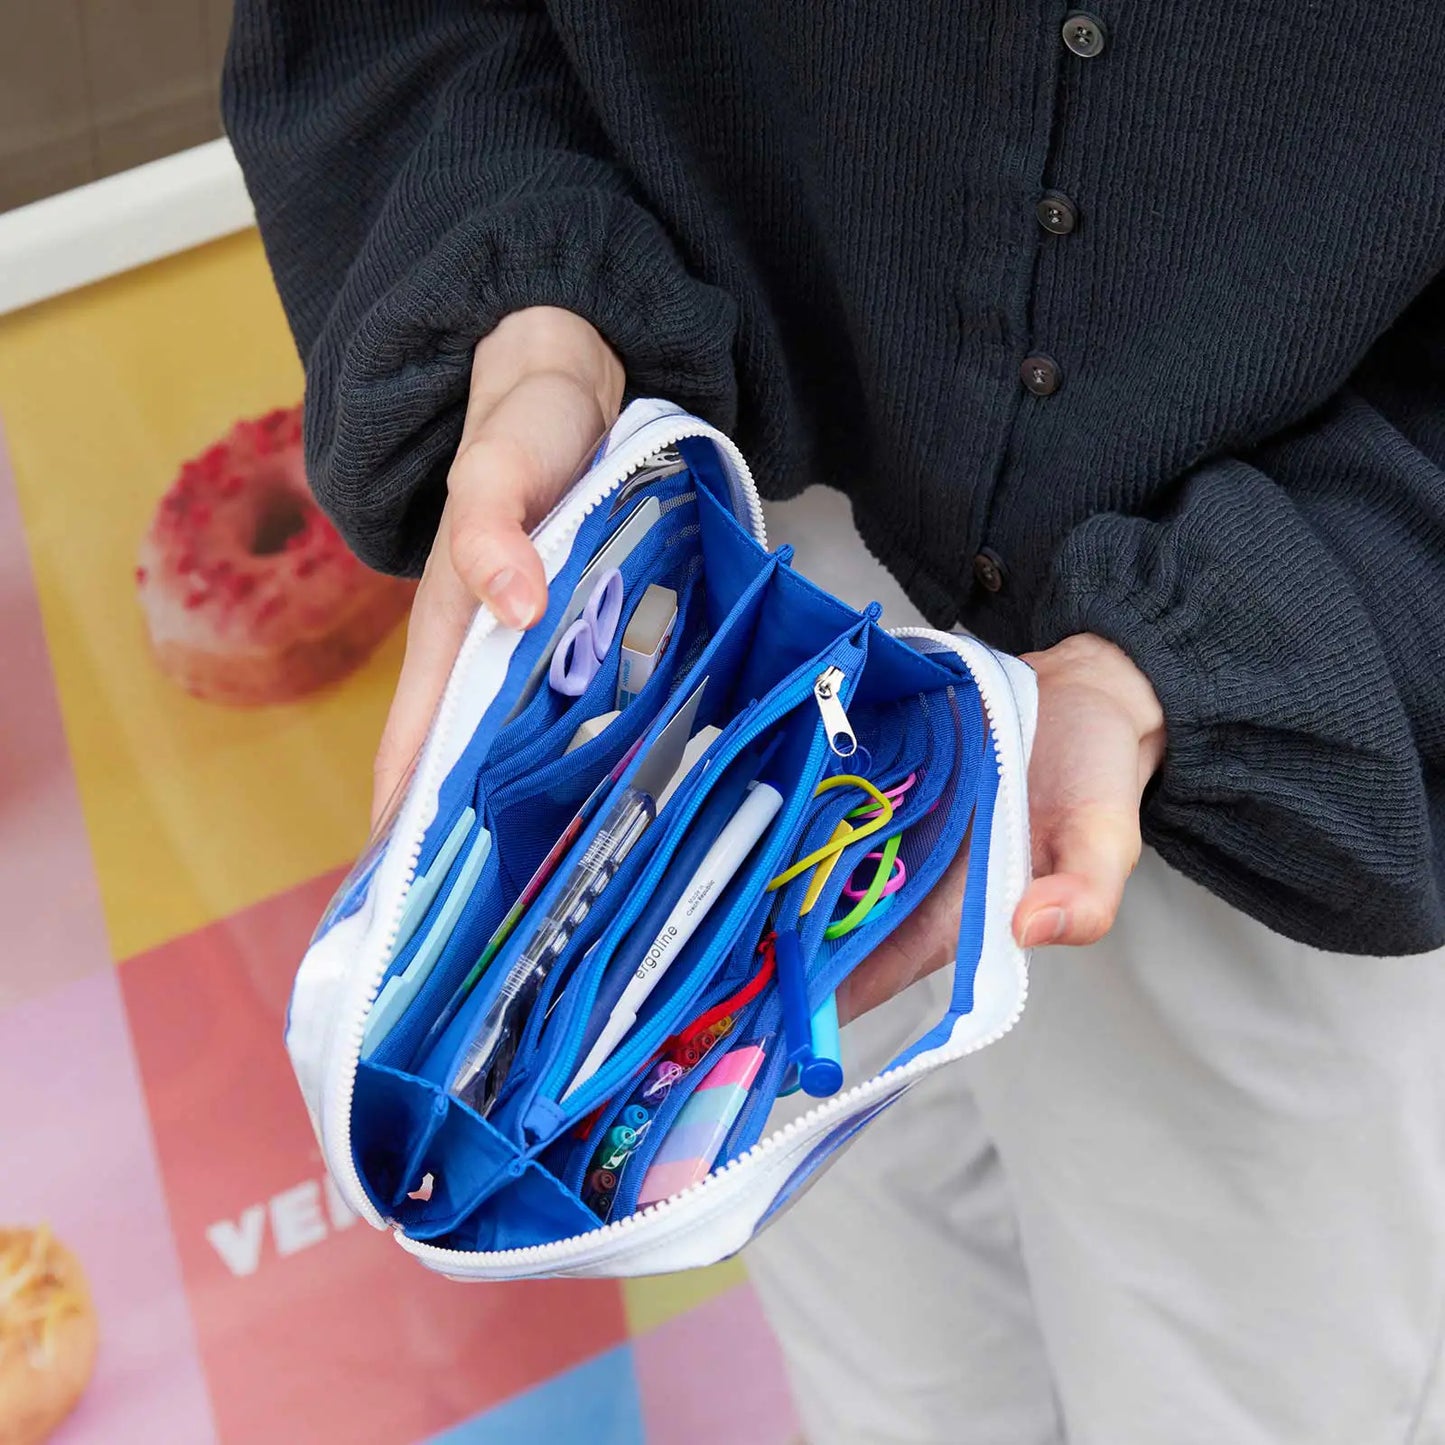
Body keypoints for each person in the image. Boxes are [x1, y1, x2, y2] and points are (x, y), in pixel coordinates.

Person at [223, 5, 1445, 1441]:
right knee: (884, 1334)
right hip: (719, 562)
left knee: (1257, 1376)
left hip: (1278, 709)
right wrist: (530, 312)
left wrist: (1241, 639)